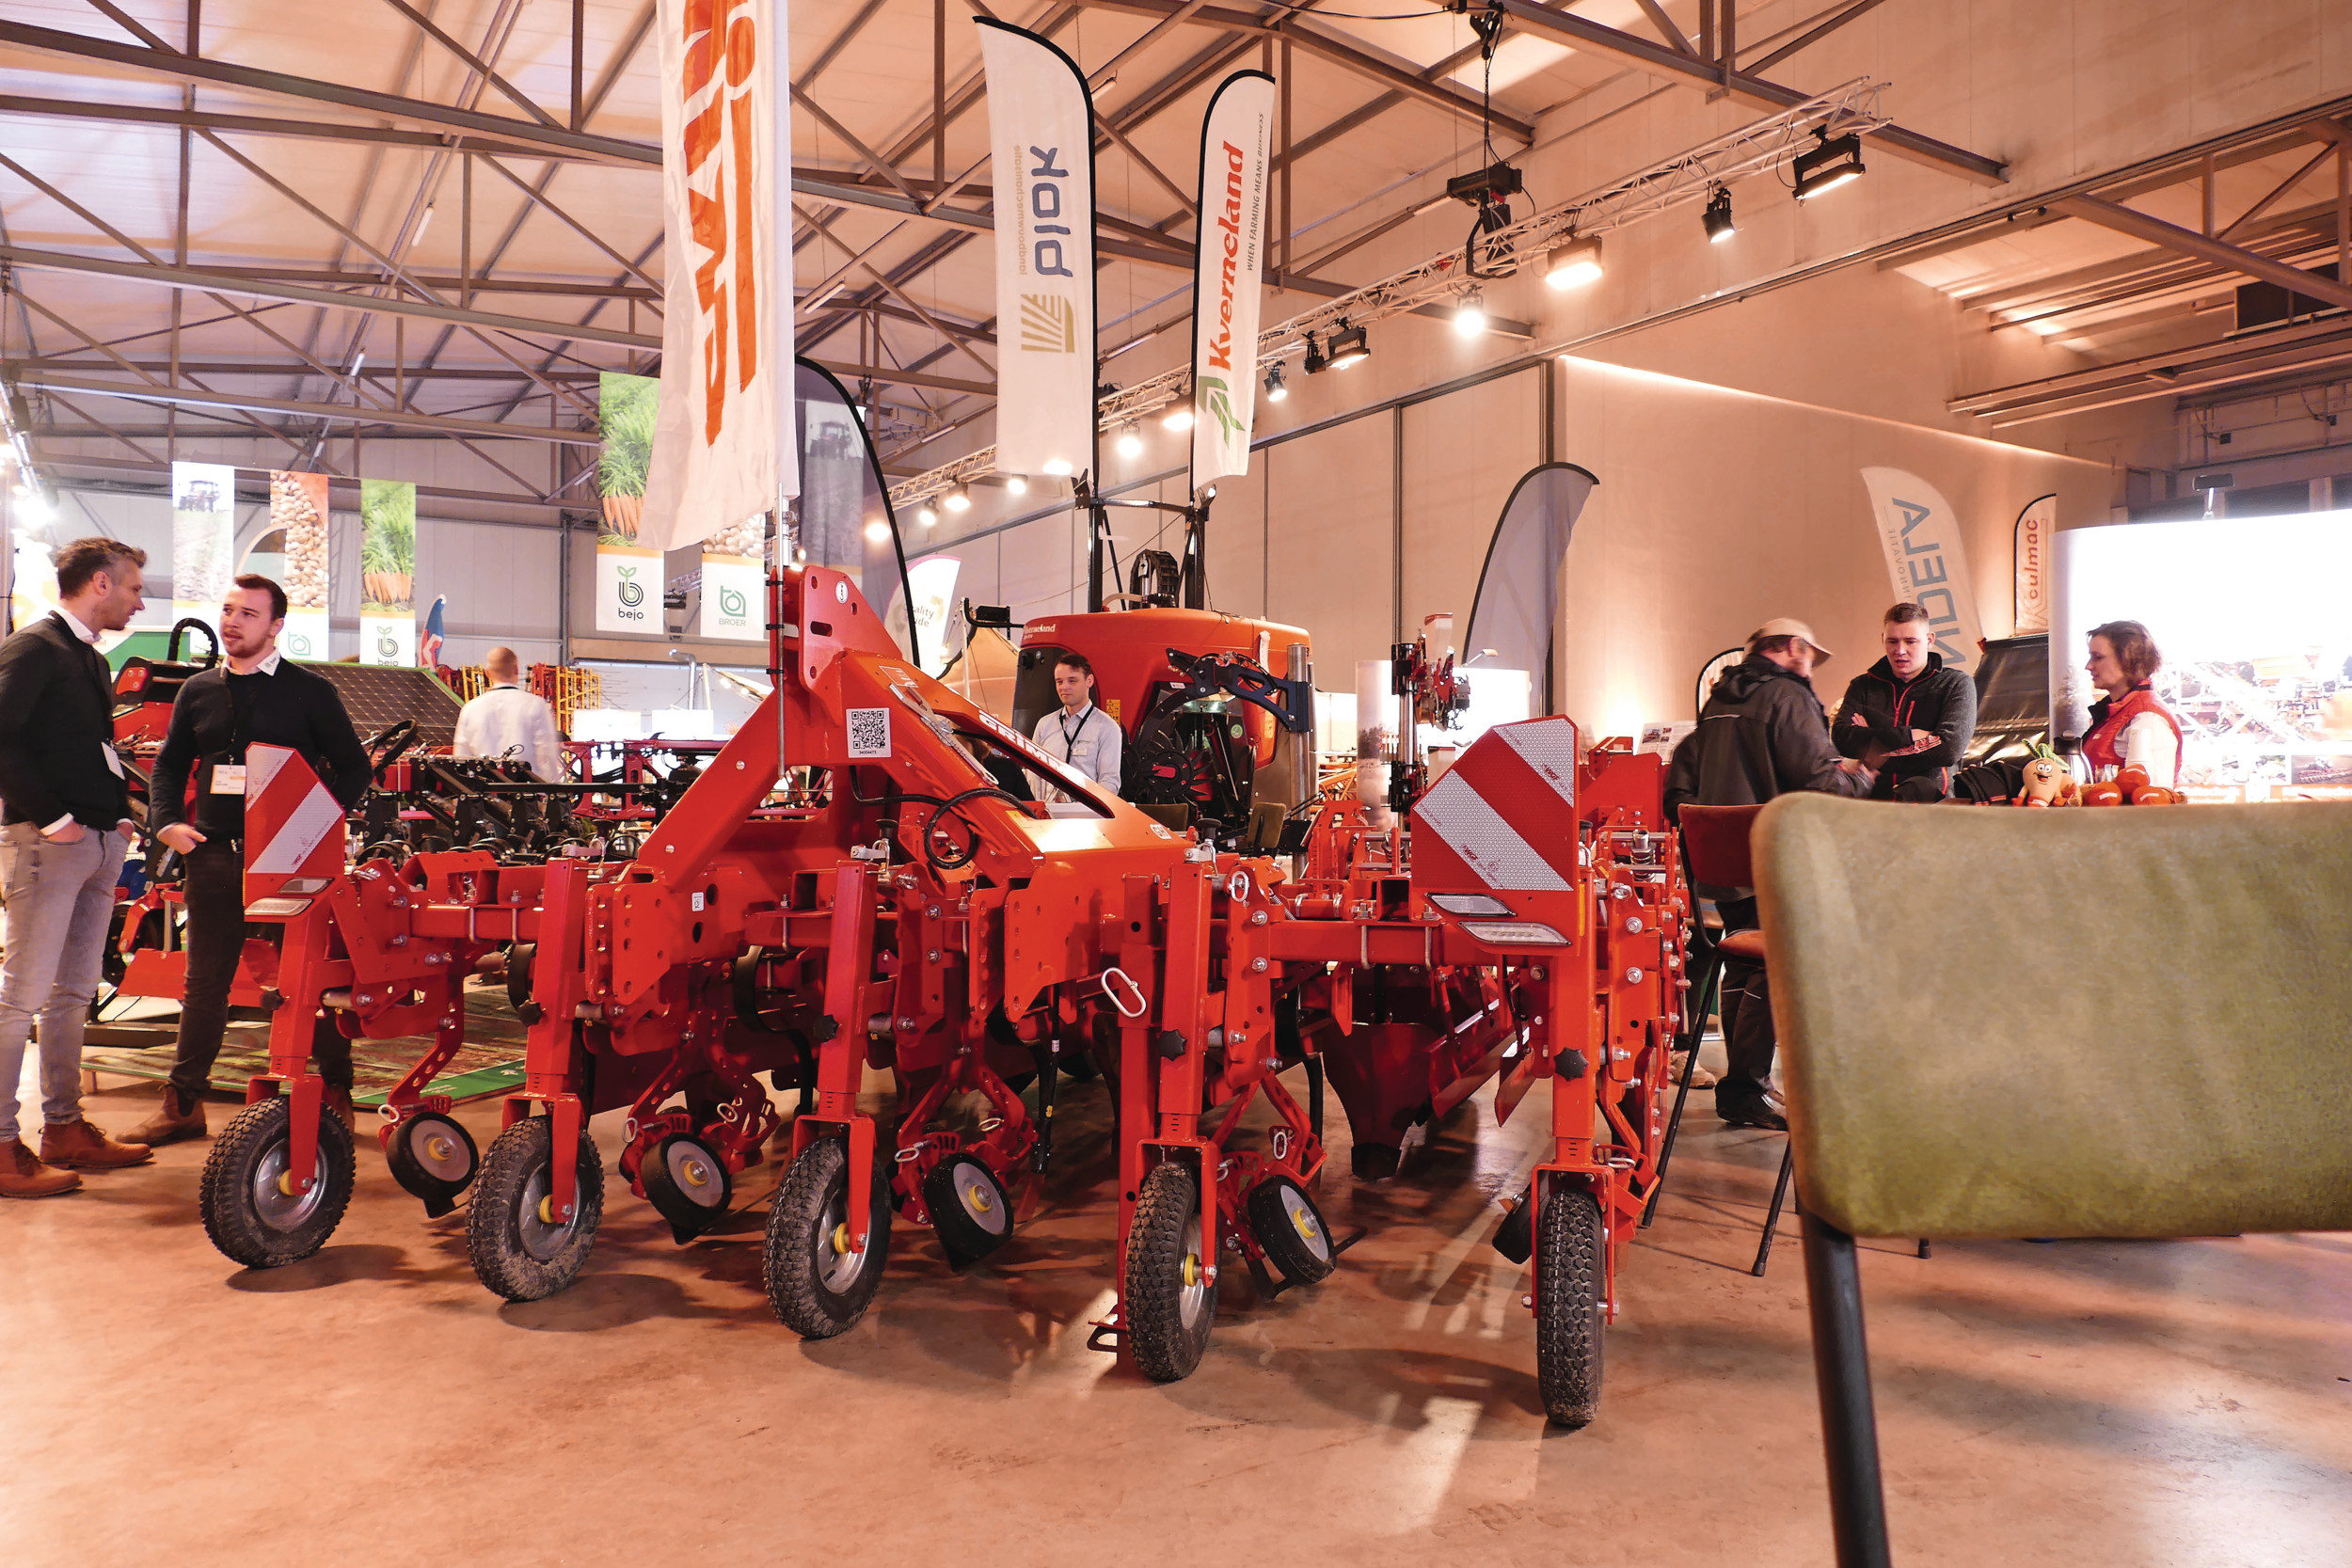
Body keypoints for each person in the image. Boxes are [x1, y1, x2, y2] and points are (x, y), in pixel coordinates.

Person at [125, 575, 373, 1146]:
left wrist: (312, 826)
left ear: (277, 626)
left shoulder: (310, 691)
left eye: (249, 614)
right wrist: (165, 823)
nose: (232, 621)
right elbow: (168, 765)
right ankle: (184, 1102)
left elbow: (354, 767)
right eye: (228, 610)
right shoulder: (198, 691)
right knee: (205, 982)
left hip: (290, 862)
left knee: (311, 980)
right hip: (214, 854)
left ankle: (336, 1090)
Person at [1665, 618, 1881, 1132]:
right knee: (1774, 961)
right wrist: (1866, 777)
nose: (1811, 668)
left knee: (1743, 962)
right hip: (1774, 858)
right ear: (1791, 648)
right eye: (1809, 657)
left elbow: (1682, 778)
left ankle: (1742, 1086)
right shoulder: (1787, 697)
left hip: (1722, 874)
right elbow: (1820, 782)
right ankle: (1745, 1087)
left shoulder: (1718, 701)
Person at [0, 537, 156, 1196]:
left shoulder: (88, 658)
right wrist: (52, 816)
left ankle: (63, 1126)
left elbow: (94, 744)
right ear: (99, 582)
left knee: (71, 994)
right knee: (20, 997)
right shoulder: (36, 648)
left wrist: (117, 814)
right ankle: (3, 1145)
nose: (138, 599)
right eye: (133, 587)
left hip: (96, 841)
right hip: (48, 840)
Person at [1832, 602, 1979, 801]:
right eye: (1893, 641)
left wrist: (1872, 748)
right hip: (1871, 808)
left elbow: (1947, 750)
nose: (1900, 651)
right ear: (1883, 639)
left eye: (1910, 641)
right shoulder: (1862, 685)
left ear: (1929, 640)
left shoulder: (1956, 684)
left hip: (1930, 808)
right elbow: (1843, 740)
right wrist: (1912, 736)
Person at [2081, 619, 2182, 788]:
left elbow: (2151, 797)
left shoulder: (2148, 718)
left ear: (2128, 659)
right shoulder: (2116, 712)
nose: (2088, 666)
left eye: (2098, 657)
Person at [454, 645, 563, 781]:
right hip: (526, 794)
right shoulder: (535, 705)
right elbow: (546, 756)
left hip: (484, 794)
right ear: (516, 669)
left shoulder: (470, 708)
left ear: (487, 673)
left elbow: (461, 758)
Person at [1030, 651, 1121, 800]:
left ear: (1089, 681)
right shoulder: (1044, 724)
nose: (1064, 687)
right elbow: (1034, 774)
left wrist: (1086, 810)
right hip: (1047, 816)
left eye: (1072, 681)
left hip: (1087, 816)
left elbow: (1109, 781)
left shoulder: (1106, 727)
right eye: (1059, 681)